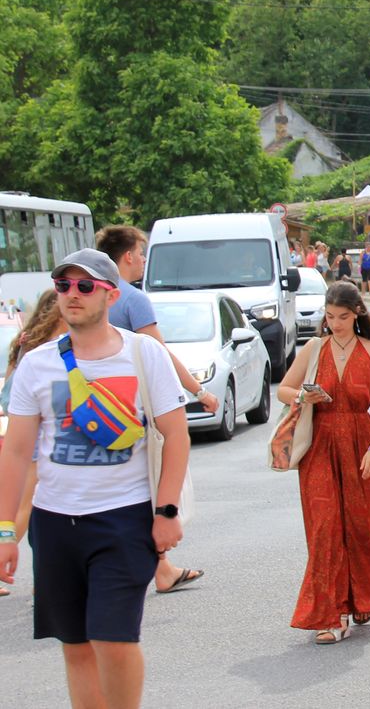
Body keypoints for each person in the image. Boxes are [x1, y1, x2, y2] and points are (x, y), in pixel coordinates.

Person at [0, 249, 189, 709]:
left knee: (113, 638)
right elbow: (17, 450)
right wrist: (5, 531)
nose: (72, 295)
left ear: (111, 293)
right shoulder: (38, 363)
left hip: (123, 521)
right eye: (64, 285)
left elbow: (176, 435)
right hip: (54, 523)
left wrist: (166, 512)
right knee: (76, 644)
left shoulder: (144, 355)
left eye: (85, 286)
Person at [96, 225, 213, 594]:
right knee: (147, 481)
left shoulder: (83, 294)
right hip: (132, 405)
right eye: (141, 253)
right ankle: (159, 565)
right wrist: (198, 390)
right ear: (127, 256)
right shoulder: (131, 299)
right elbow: (157, 354)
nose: (144, 260)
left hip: (90, 405)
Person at [278, 281, 370, 644]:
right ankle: (333, 613)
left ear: (357, 312)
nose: (335, 323)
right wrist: (304, 396)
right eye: (329, 317)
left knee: (360, 528)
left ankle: (360, 596)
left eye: (343, 317)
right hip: (320, 444)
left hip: (361, 441)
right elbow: (283, 388)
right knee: (324, 528)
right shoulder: (314, 347)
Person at [0, 290, 66, 597]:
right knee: (25, 509)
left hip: (23, 429)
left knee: (33, 510)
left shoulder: (26, 340)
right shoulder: (54, 341)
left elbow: (7, 392)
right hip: (40, 435)